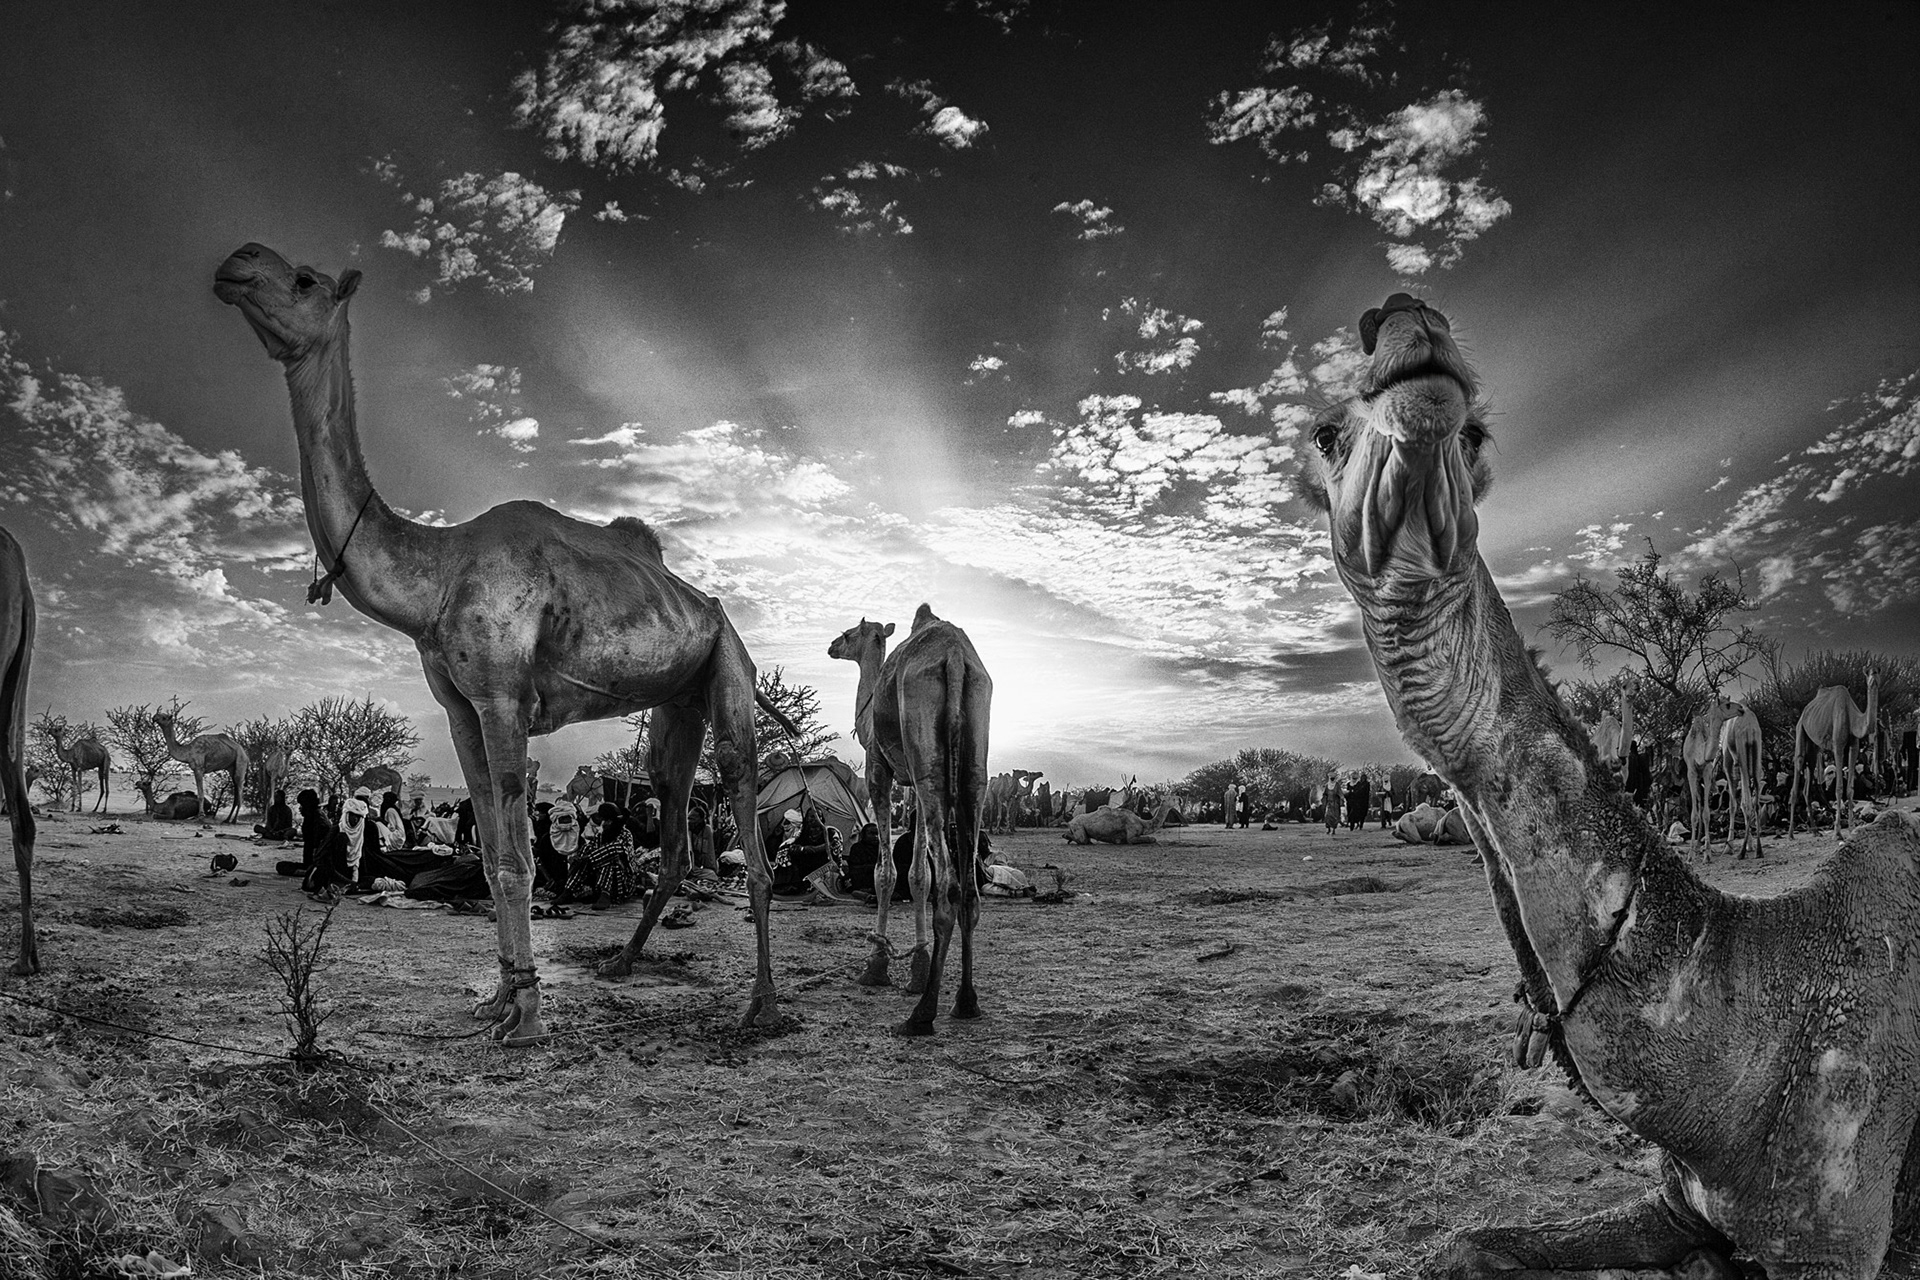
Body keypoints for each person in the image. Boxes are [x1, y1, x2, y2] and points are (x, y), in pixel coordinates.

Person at [562, 802, 637, 909]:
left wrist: (588, 859)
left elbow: (616, 849)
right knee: (586, 850)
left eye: (607, 820)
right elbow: (589, 848)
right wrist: (579, 859)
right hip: (598, 881)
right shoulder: (602, 836)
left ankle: (605, 895)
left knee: (609, 859)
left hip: (622, 884)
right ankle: (568, 890)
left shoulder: (625, 834)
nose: (604, 823)